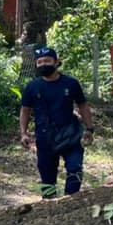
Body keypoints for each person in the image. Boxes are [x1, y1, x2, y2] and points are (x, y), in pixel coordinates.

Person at [19, 46, 95, 198]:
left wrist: (89, 128)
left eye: (47, 61)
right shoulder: (32, 86)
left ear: (56, 62)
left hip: (71, 134)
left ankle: (71, 200)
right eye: (39, 62)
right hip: (45, 137)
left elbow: (83, 106)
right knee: (47, 176)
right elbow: (25, 110)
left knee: (75, 168)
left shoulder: (71, 83)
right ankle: (49, 205)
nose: (43, 64)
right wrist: (23, 133)